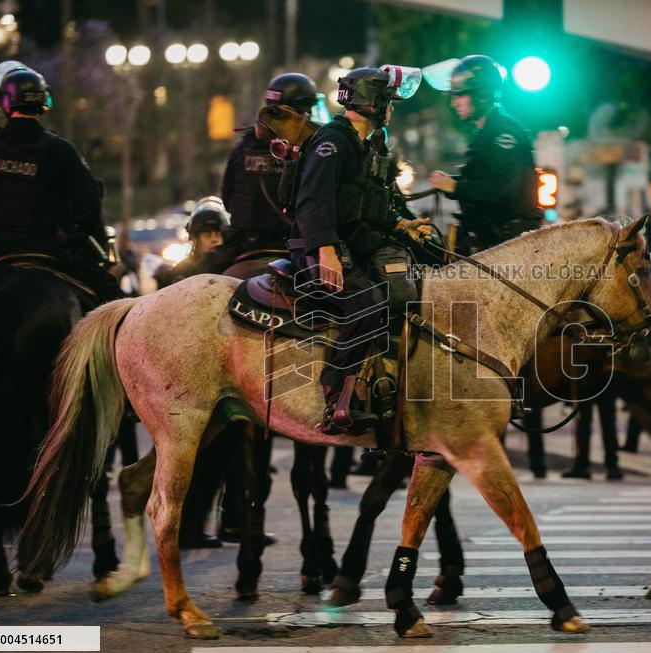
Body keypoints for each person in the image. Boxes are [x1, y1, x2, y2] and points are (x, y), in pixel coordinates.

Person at [292, 66, 431, 435]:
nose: (391, 110)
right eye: (389, 102)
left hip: (356, 245)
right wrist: (325, 251)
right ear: (374, 103)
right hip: (322, 250)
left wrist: (402, 225)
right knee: (368, 301)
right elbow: (312, 203)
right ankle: (335, 392)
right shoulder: (333, 143)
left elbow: (367, 206)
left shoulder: (366, 145)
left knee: (418, 277)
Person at [0, 67, 121, 302]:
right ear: (44, 101)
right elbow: (88, 208)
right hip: (48, 246)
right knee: (110, 298)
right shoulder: (61, 150)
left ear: (5, 103)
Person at [428, 54, 541, 255]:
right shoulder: (485, 131)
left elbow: (503, 187)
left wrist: (456, 186)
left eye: (460, 95)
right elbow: (482, 181)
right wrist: (450, 184)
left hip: (508, 249)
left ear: (481, 95)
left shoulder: (504, 132)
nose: (454, 103)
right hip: (490, 246)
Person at [213, 73, 320, 272]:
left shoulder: (242, 148)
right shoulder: (315, 150)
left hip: (246, 245)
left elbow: (227, 199)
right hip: (296, 247)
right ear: (302, 108)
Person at [156, 197, 228, 289]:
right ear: (195, 239)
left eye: (218, 234)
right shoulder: (182, 270)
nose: (214, 239)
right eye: (208, 234)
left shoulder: (233, 266)